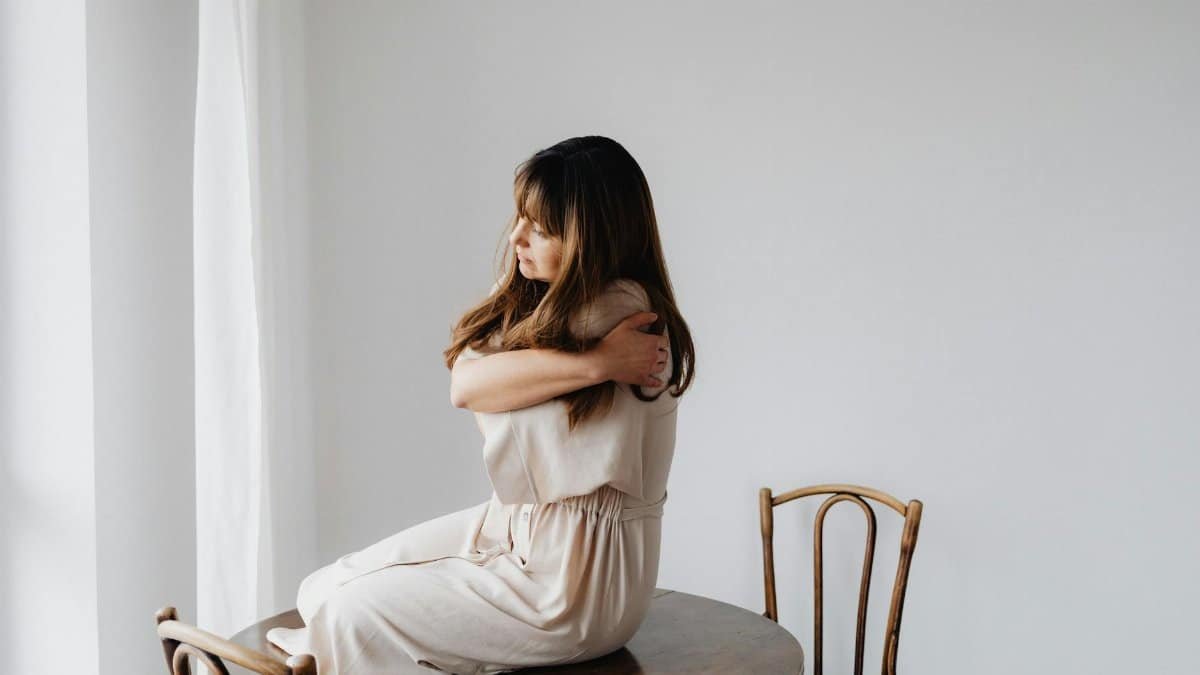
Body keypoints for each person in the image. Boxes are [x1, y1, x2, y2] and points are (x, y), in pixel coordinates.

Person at [266, 135, 695, 674]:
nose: (516, 237)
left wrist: (600, 357)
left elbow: (472, 384)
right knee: (322, 590)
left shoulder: (621, 311)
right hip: (514, 529)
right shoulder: (555, 307)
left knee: (348, 614)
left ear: (593, 239)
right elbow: (467, 380)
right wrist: (597, 365)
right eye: (519, 217)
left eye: (540, 228)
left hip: (577, 585)